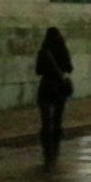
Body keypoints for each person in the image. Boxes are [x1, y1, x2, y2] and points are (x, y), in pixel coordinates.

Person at [34, 26, 74, 167]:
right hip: (59, 88)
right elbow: (69, 68)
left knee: (46, 121)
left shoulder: (44, 52)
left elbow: (38, 71)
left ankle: (47, 150)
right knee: (57, 120)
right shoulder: (63, 50)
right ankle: (55, 148)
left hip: (46, 88)